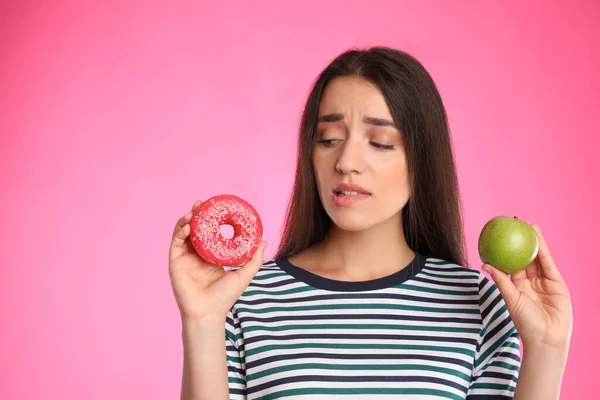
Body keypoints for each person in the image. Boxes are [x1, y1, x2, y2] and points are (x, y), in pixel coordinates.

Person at [168, 46, 573, 399]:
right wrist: (203, 321)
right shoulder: (244, 299)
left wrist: (546, 349)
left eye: (379, 143)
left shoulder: (479, 303)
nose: (345, 162)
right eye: (328, 139)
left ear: (422, 159)